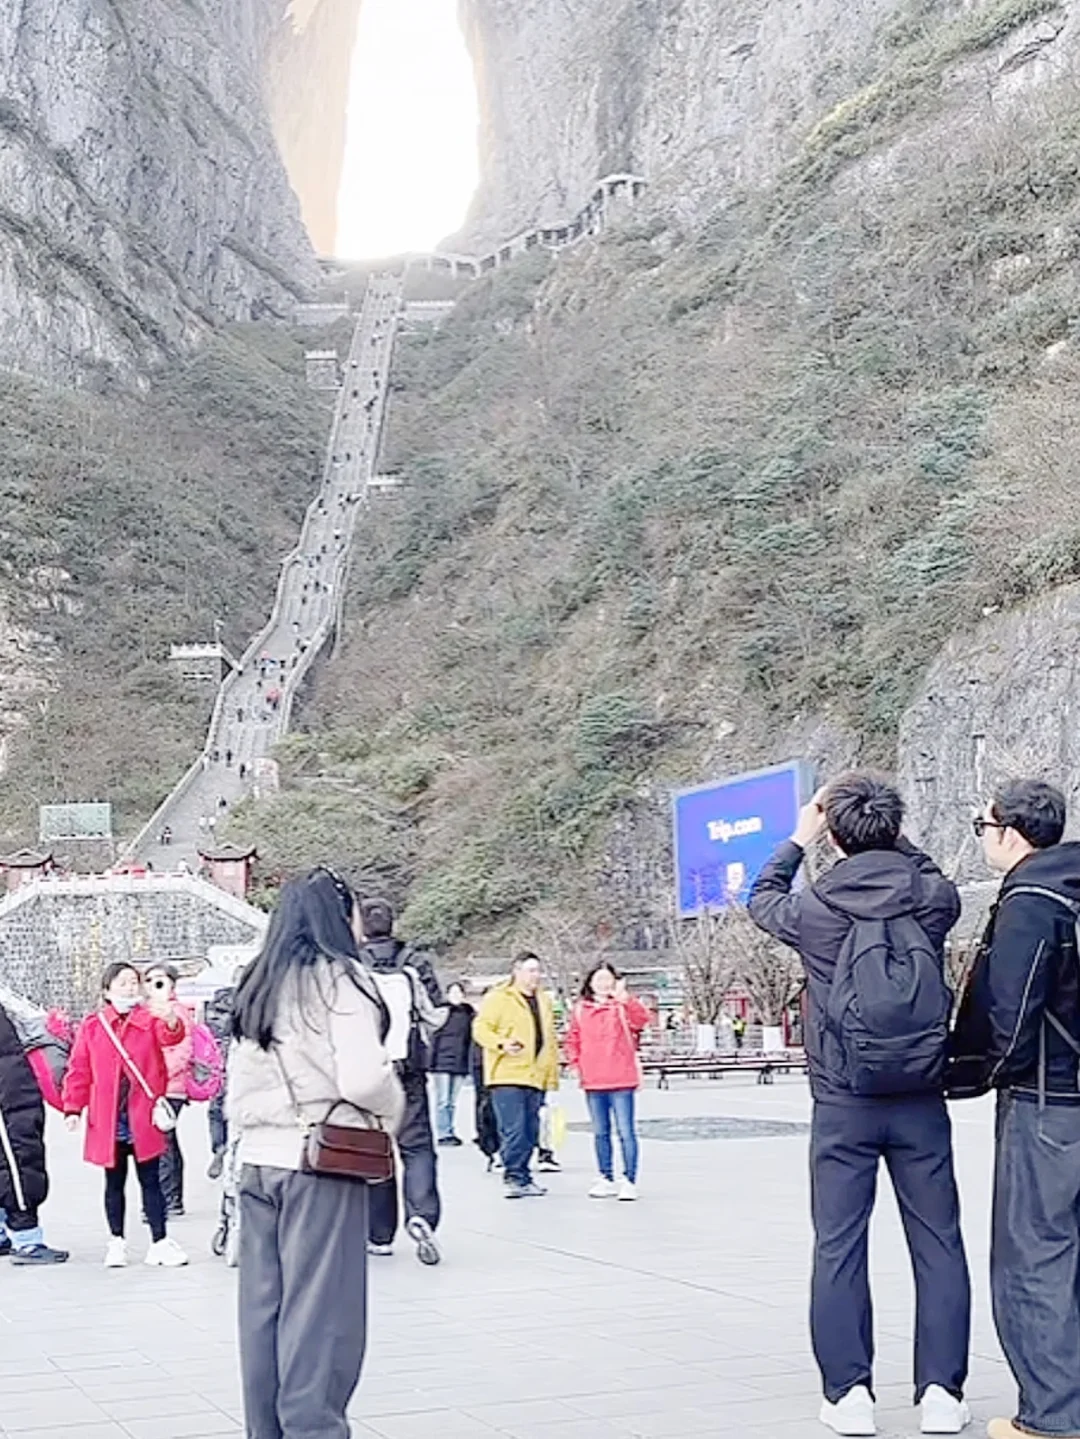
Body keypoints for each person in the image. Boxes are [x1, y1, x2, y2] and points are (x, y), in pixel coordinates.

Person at [748, 773, 971, 1438]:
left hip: (842, 1101)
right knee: (938, 1243)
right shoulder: (931, 899)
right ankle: (941, 1393)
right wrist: (887, 829)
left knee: (839, 1244)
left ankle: (849, 1394)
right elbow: (931, 870)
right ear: (892, 828)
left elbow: (760, 897)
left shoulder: (814, 910)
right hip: (921, 1099)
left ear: (834, 832)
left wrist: (801, 832)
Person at [228, 869, 403, 1439]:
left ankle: (267, 1430)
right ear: (339, 914)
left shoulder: (256, 980)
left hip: (257, 1161)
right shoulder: (340, 980)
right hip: (316, 1164)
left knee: (264, 1312)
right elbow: (362, 1078)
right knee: (321, 1314)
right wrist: (391, 1106)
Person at [947, 781, 1080, 1439]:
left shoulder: (1032, 898)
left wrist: (984, 1073)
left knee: (1035, 1256)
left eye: (982, 823)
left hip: (1049, 1102)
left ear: (1010, 831)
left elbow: (1015, 1007)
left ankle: (1051, 1416)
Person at [62, 961, 189, 1267]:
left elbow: (172, 1036)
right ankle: (116, 1241)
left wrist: (170, 1017)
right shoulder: (93, 1026)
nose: (130, 987)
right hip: (109, 1118)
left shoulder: (149, 1019)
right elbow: (79, 1069)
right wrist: (72, 1107)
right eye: (122, 983)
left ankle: (159, 1241)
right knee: (114, 1182)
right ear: (107, 990)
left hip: (142, 1115)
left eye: (134, 982)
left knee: (151, 1181)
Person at [359, 898, 446, 1265]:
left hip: (366, 1073)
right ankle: (421, 1215)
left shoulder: (350, 965)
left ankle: (379, 1234)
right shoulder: (415, 963)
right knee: (417, 1147)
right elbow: (438, 1014)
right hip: (408, 1069)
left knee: (375, 1152)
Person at [472, 953, 559, 1199]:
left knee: (532, 1129)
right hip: (507, 1074)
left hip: (536, 1074)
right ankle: (513, 1175)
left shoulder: (543, 1000)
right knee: (514, 1128)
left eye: (538, 970)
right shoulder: (499, 998)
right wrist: (501, 1044)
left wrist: (551, 1074)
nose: (535, 976)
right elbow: (481, 1029)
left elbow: (549, 1039)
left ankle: (523, 1174)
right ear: (516, 971)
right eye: (531, 970)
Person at [564, 964, 652, 1201]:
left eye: (608, 979)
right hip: (593, 1079)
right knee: (600, 1132)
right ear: (590, 982)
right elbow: (573, 1038)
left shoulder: (622, 1007)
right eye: (598, 978)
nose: (603, 983)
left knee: (626, 1131)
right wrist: (574, 1063)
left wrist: (626, 999)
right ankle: (605, 1176)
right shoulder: (581, 1009)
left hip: (622, 1077)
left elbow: (642, 1020)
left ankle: (629, 1179)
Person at [0, 1000, 68, 1264]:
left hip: (15, 1091)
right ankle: (26, 1240)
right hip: (10, 1097)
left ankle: (6, 1231)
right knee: (19, 1163)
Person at [143, 963, 194, 1216]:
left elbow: (181, 1052)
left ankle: (169, 1198)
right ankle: (169, 1196)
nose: (155, 984)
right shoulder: (145, 1011)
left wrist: (159, 1078)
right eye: (150, 980)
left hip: (170, 1087)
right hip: (152, 1087)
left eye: (161, 980)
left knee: (163, 1140)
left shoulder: (176, 1011)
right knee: (165, 1140)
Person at [429, 982, 474, 1146]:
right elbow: (434, 1039)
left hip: (460, 1062)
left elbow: (471, 1041)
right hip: (441, 1062)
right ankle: (443, 1133)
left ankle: (450, 1130)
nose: (456, 996)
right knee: (443, 1101)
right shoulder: (441, 1013)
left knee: (452, 1102)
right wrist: (430, 1062)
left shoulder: (469, 1015)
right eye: (452, 993)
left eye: (459, 993)